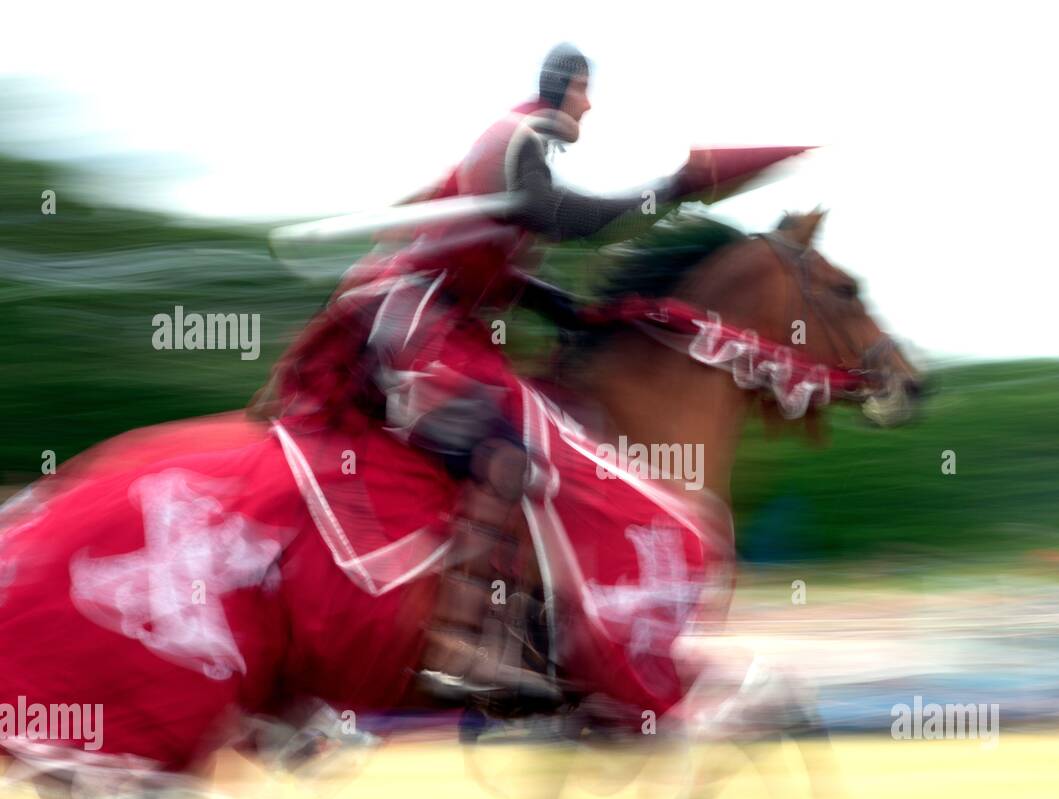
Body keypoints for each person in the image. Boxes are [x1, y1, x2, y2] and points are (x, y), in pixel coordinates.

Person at [266, 43, 722, 701]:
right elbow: (561, 217)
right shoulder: (522, 135)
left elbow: (507, 262)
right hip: (417, 321)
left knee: (536, 438)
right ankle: (459, 644)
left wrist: (574, 311)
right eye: (585, 91)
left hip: (451, 323)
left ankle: (516, 629)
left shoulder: (515, 153)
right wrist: (668, 188)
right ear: (563, 90)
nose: (589, 106)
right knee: (509, 452)